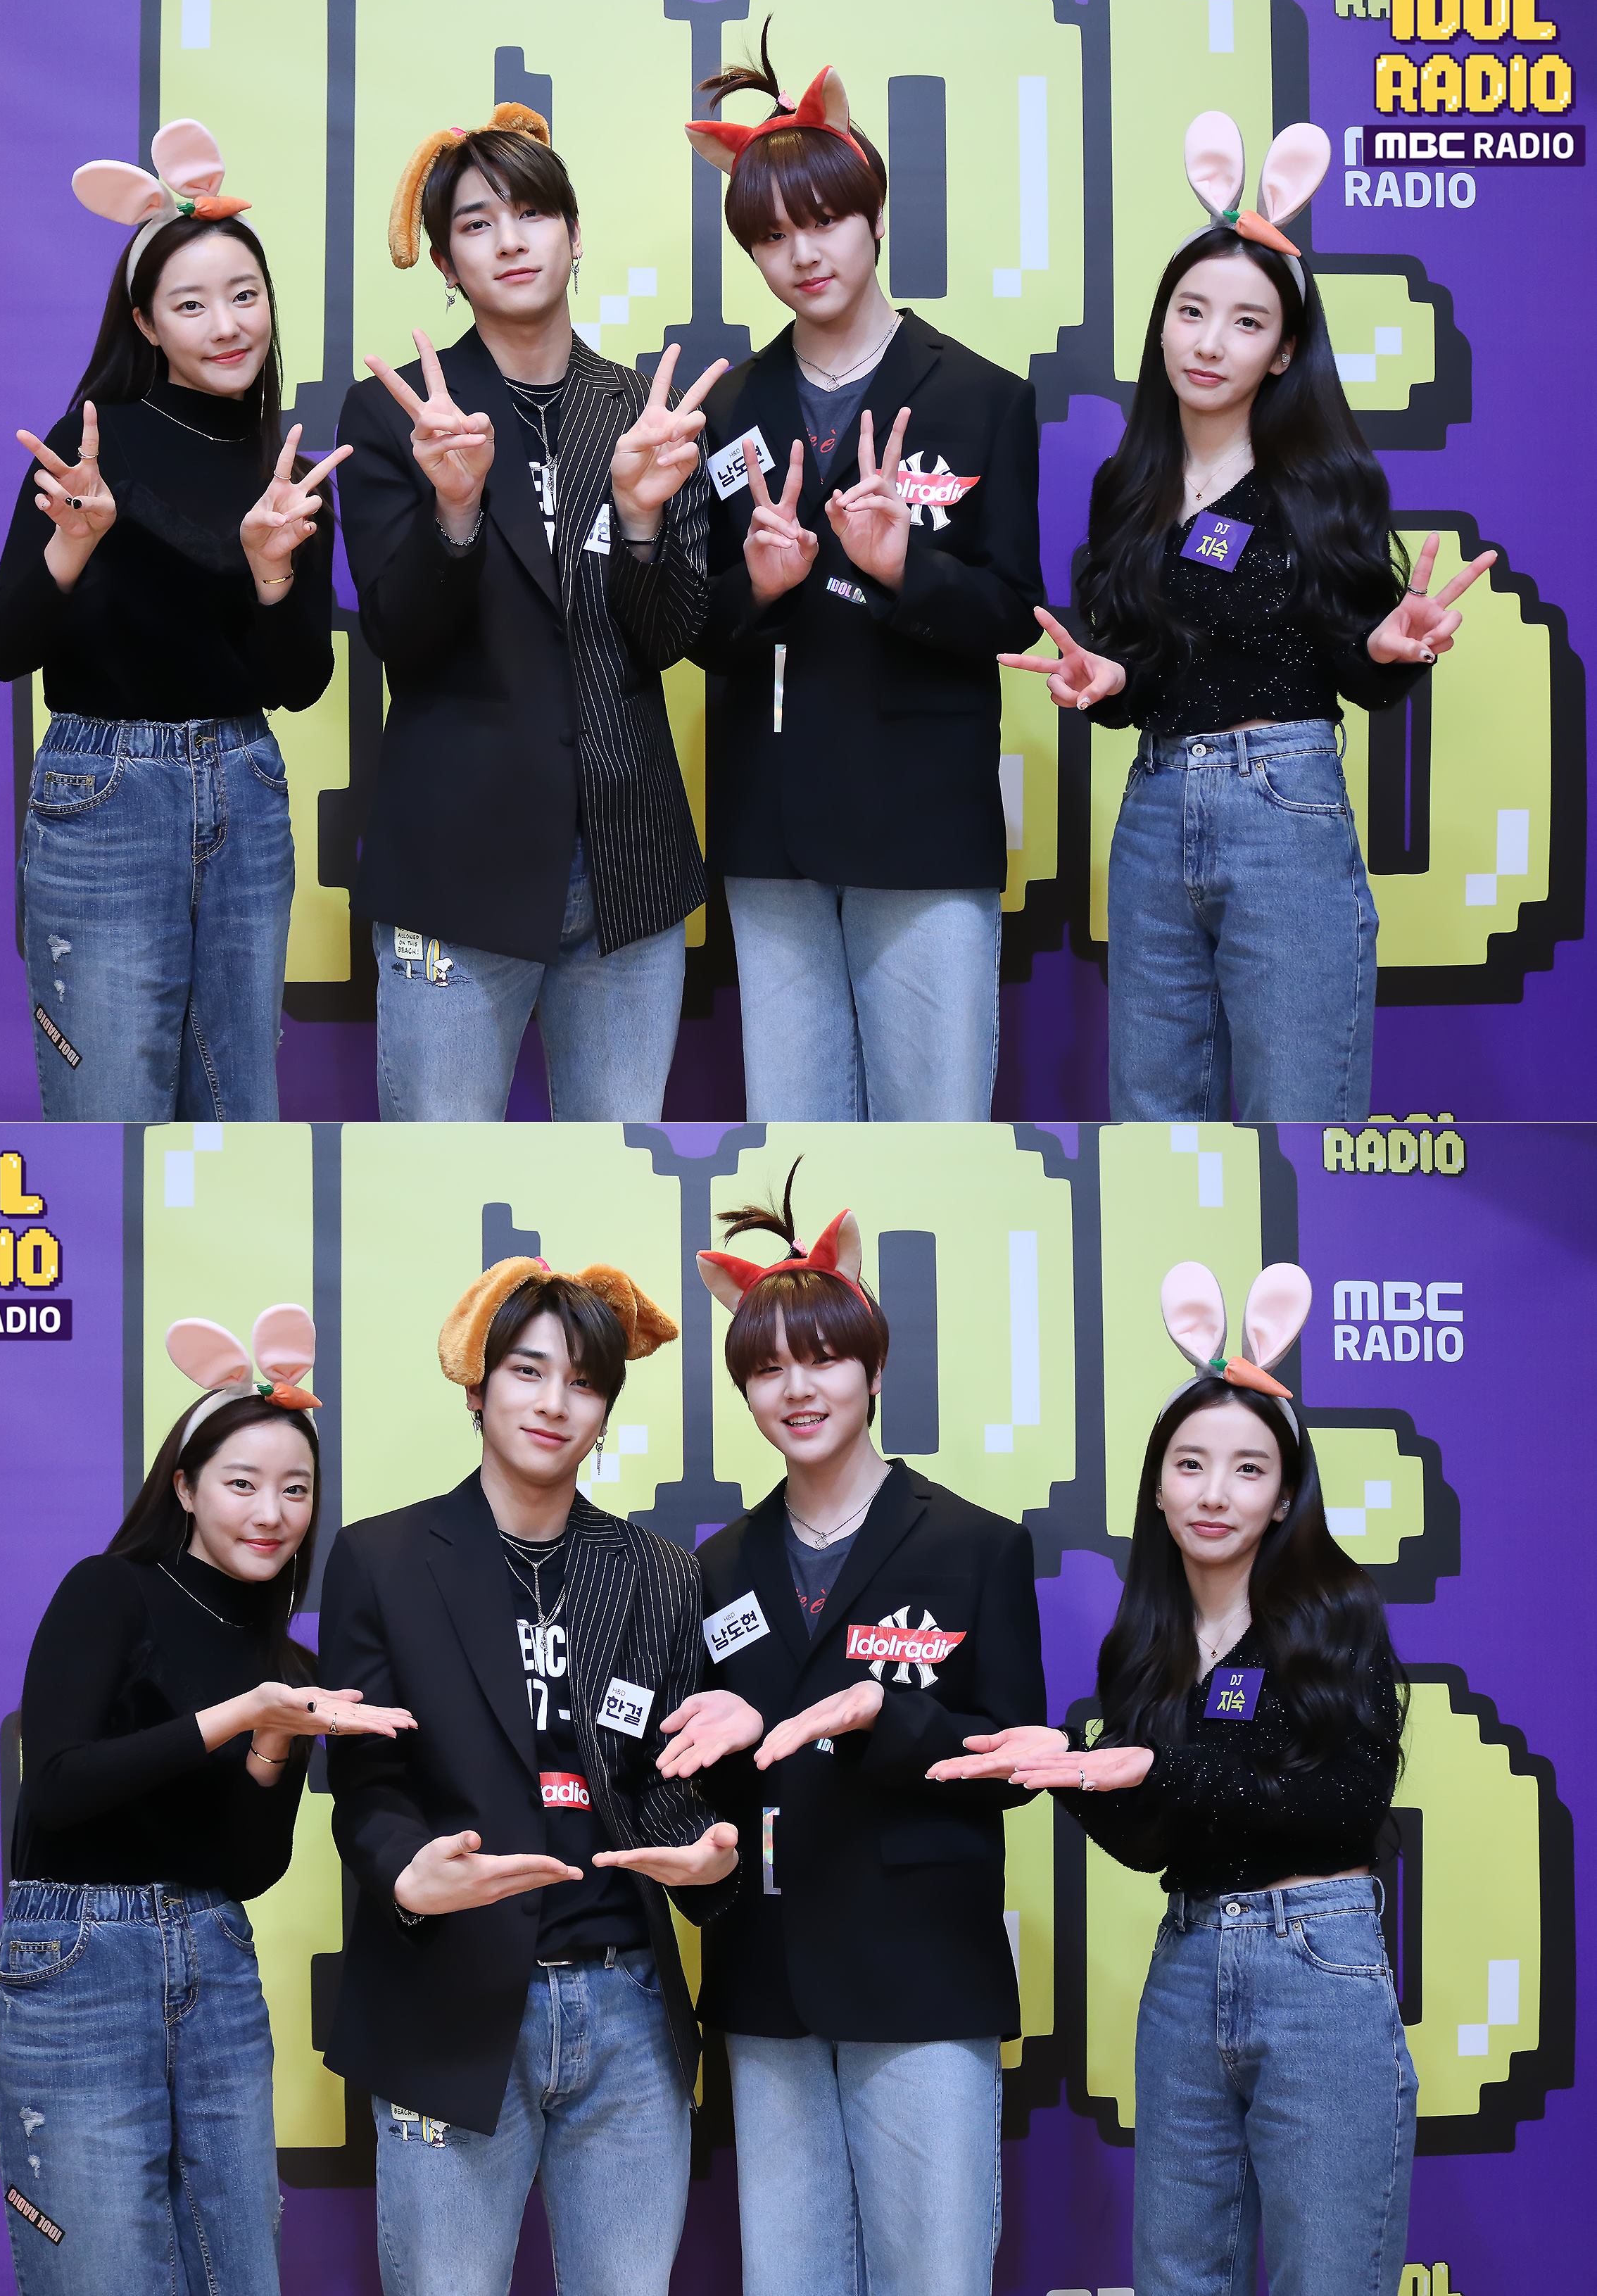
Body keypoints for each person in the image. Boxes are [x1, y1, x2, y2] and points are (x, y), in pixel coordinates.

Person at [933, 1260, 1415, 2296]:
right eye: (1191, 1465)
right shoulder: (1145, 1643)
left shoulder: (1335, 1615)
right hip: (1188, 1959)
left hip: (1318, 1960)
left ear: (1284, 1494)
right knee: (1177, 2276)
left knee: (1332, 2277)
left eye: (1248, 1470)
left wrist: (1162, 1764)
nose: (1215, 1493)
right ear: (1157, 1486)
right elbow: (1154, 1844)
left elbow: (1345, 1807)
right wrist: (1072, 1776)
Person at [1004, 111, 1495, 1123]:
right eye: (1191, 311)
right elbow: (1138, 660)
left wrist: (1386, 647)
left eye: (1245, 322)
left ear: (1282, 351)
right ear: (1161, 325)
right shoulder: (1127, 484)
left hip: (1286, 807)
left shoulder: (1320, 481)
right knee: (1153, 1125)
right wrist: (1108, 678)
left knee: (1300, 1123)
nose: (1209, 342)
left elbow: (1356, 665)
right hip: (1153, 810)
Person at [657, 1167, 1045, 2296]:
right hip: (767, 1984)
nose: (797, 1389)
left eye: (823, 1359)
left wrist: (892, 1714)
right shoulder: (715, 1567)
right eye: (766, 1369)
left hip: (923, 1976)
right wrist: (721, 1780)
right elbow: (710, 1777)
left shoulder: (974, 1545)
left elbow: (1016, 1761)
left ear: (873, 1370)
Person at [319, 1256, 740, 2296]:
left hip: (627, 2004)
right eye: (528, 1371)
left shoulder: (658, 1573)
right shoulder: (382, 1559)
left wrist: (708, 1853)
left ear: (606, 1412)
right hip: (450, 1997)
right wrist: (407, 1873)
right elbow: (369, 1783)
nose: (555, 1403)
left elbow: (661, 1781)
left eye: (584, 1383)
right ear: (478, 1386)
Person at [0, 1306, 414, 2295]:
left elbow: (248, 1871)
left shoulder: (286, 1665)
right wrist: (239, 1715)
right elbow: (57, 1787)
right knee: (103, 2273)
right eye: (242, 1483)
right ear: (184, 1488)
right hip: (79, 1962)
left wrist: (272, 1742)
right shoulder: (110, 1592)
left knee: (240, 2269)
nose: (272, 1512)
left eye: (296, 1489)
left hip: (215, 1961)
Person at [336, 104, 726, 1121]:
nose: (510, 240)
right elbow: (400, 637)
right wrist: (454, 512)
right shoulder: (398, 414)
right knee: (439, 1172)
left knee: (616, 1175)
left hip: (628, 865)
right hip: (455, 868)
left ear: (575, 234)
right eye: (476, 223)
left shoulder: (642, 413)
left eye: (533, 213)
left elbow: (673, 639)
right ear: (445, 263)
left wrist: (641, 521)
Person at [685, 33, 1043, 1121]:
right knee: (793, 1122)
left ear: (875, 218)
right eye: (771, 236)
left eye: (826, 220)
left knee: (936, 1129)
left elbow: (1011, 613)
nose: (803, 253)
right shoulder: (727, 407)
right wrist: (758, 585)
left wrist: (903, 568)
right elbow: (698, 628)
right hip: (772, 829)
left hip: (923, 824)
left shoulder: (982, 396)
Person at [0, 120, 346, 1123]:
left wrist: (272, 571)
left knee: (238, 1118)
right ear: (145, 323)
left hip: (246, 787)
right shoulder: (91, 447)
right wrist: (73, 544)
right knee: (108, 1117)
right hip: (104, 793)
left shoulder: (291, 470)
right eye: (191, 304)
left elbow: (299, 683)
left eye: (245, 295)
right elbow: (2, 648)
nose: (227, 325)